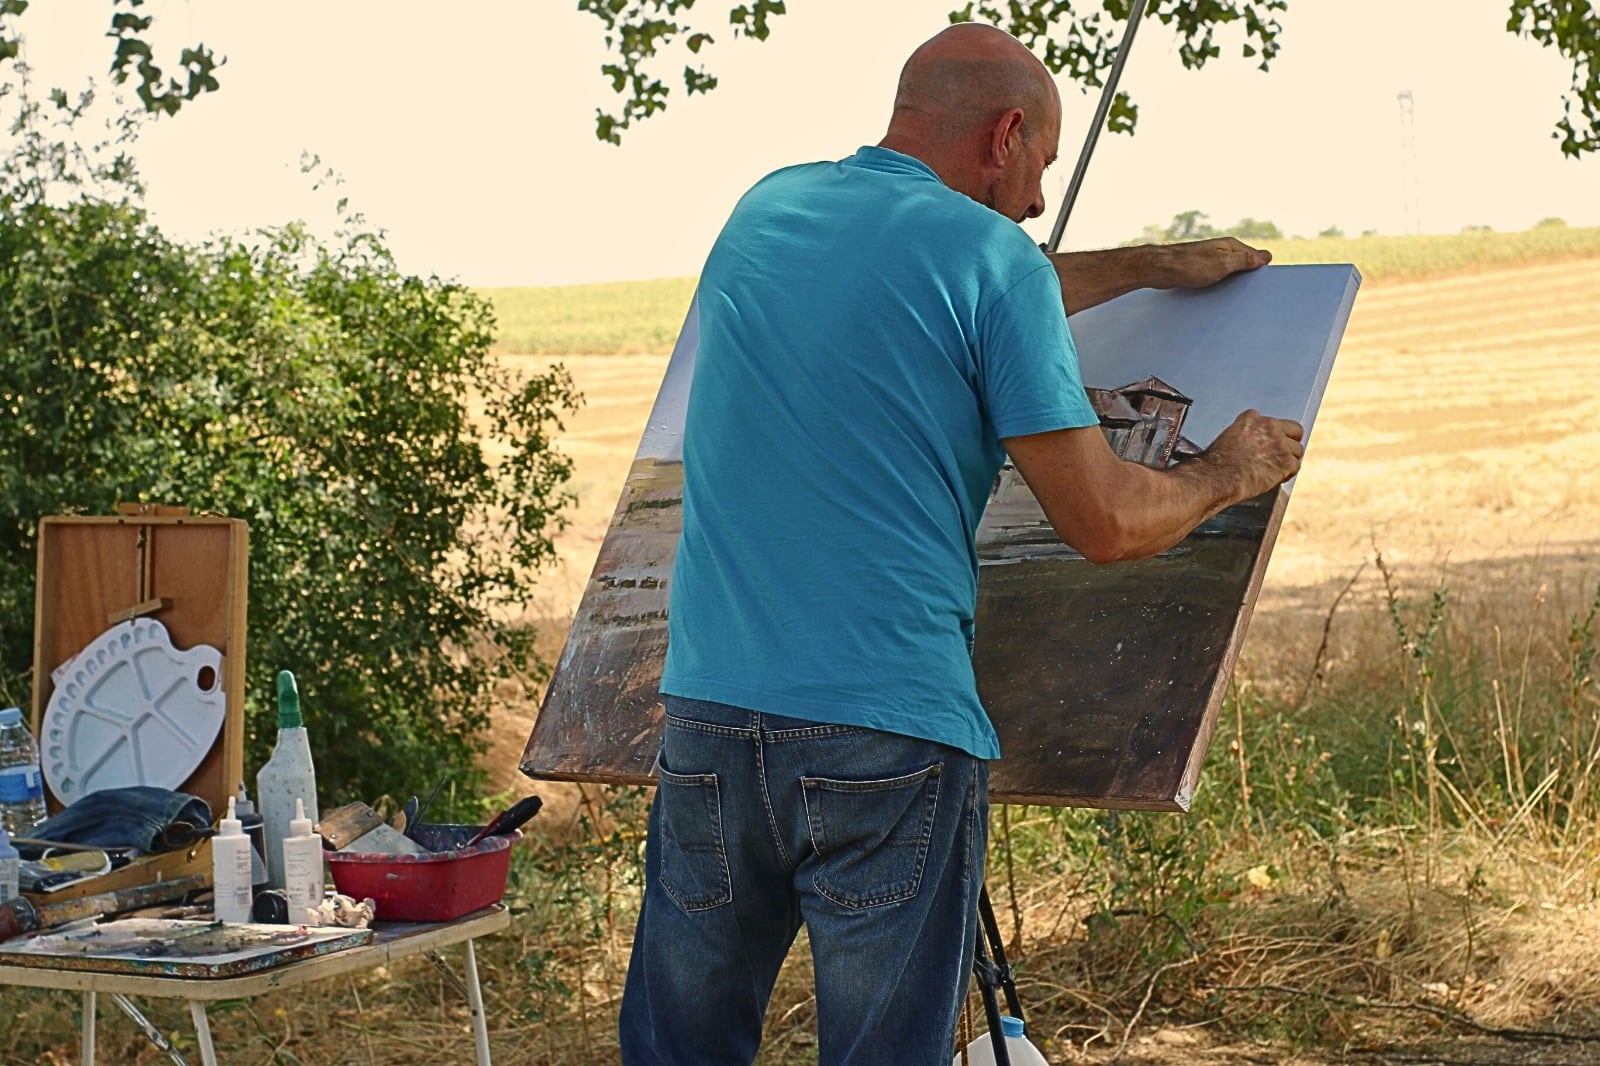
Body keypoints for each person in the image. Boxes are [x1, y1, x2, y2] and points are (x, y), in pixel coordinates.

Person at [618, 22, 1303, 1065]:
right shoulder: (992, 261)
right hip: (882, 737)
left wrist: (1151, 265)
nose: (1035, 202)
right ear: (1006, 134)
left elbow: (934, 282)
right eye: (1042, 166)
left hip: (711, 717)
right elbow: (1107, 521)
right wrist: (1228, 470)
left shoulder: (767, 210)